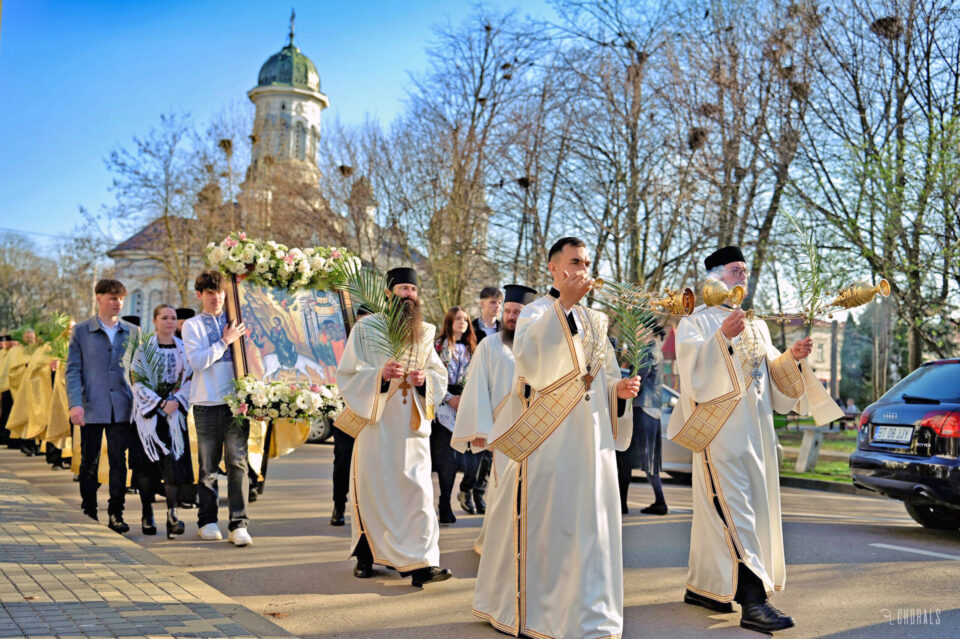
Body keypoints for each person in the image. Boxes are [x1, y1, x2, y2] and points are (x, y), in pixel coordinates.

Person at [668, 246, 843, 634]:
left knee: (740, 511)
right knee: (736, 510)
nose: (743, 276)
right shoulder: (695, 322)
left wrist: (791, 359)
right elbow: (693, 376)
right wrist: (720, 339)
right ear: (714, 277)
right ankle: (754, 602)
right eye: (735, 270)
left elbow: (770, 378)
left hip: (758, 431)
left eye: (745, 270)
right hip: (720, 432)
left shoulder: (757, 324)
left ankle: (706, 588)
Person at [473, 237, 640, 639]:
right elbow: (531, 362)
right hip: (550, 441)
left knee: (591, 528)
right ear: (553, 268)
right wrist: (563, 305)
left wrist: (618, 392)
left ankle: (590, 611)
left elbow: (604, 376)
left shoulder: (598, 321)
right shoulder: (534, 313)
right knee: (555, 525)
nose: (583, 269)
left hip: (593, 442)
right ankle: (544, 611)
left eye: (587, 262)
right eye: (575, 262)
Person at [335, 267, 451, 587]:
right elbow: (347, 373)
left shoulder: (426, 331)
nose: (409, 295)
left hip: (411, 426)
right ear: (388, 294)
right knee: (374, 490)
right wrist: (380, 375)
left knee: (418, 492)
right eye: (403, 289)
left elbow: (438, 375)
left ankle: (423, 562)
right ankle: (367, 555)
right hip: (377, 424)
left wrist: (424, 380)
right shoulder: (367, 328)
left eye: (413, 290)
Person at [452, 283, 537, 554]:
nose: (511, 316)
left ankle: (528, 542)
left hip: (536, 429)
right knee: (502, 489)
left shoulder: (542, 347)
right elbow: (477, 387)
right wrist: (480, 427)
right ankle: (495, 543)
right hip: (502, 431)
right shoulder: (489, 344)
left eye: (518, 311)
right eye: (509, 311)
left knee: (534, 490)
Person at [182, 270, 252, 547]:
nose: (217, 298)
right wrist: (224, 341)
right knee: (208, 466)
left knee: (237, 464)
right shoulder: (192, 326)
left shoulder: (237, 322)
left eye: (220, 292)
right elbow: (197, 362)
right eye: (210, 293)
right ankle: (207, 521)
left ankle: (239, 524)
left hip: (237, 404)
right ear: (199, 295)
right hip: (206, 403)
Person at [66, 279, 140, 533]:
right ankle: (89, 510)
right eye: (111, 298)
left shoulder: (132, 331)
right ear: (98, 298)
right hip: (91, 407)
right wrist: (75, 404)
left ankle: (116, 513)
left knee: (120, 463)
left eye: (120, 298)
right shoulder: (82, 331)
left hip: (122, 408)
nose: (117, 302)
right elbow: (73, 370)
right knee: (90, 461)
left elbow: (138, 370)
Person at [128, 305, 194, 539]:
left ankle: (172, 515)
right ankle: (147, 513)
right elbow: (136, 381)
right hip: (149, 417)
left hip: (173, 416)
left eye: (173, 318)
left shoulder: (184, 349)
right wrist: (159, 403)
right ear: (155, 321)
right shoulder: (143, 350)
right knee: (147, 468)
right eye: (164, 318)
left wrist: (175, 400)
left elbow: (190, 378)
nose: (169, 322)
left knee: (173, 465)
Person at [431, 306, 476, 523]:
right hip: (443, 403)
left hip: (465, 404)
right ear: (449, 321)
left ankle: (466, 492)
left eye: (465, 320)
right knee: (445, 459)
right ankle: (444, 502)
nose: (462, 323)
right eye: (458, 319)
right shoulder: (438, 345)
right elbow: (434, 376)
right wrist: (449, 398)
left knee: (469, 460)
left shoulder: (472, 348)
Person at [329, 304, 373, 527]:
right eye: (360, 321)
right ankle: (339, 505)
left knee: (370, 465)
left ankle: (366, 511)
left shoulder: (380, 347)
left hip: (372, 415)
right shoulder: (340, 346)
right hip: (345, 413)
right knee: (343, 462)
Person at [617, 325, 668, 515]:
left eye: (638, 328)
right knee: (650, 460)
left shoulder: (647, 352)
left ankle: (622, 504)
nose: (635, 331)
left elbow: (636, 379)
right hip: (652, 411)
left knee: (626, 457)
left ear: (647, 330)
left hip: (642, 410)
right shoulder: (656, 351)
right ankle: (659, 501)